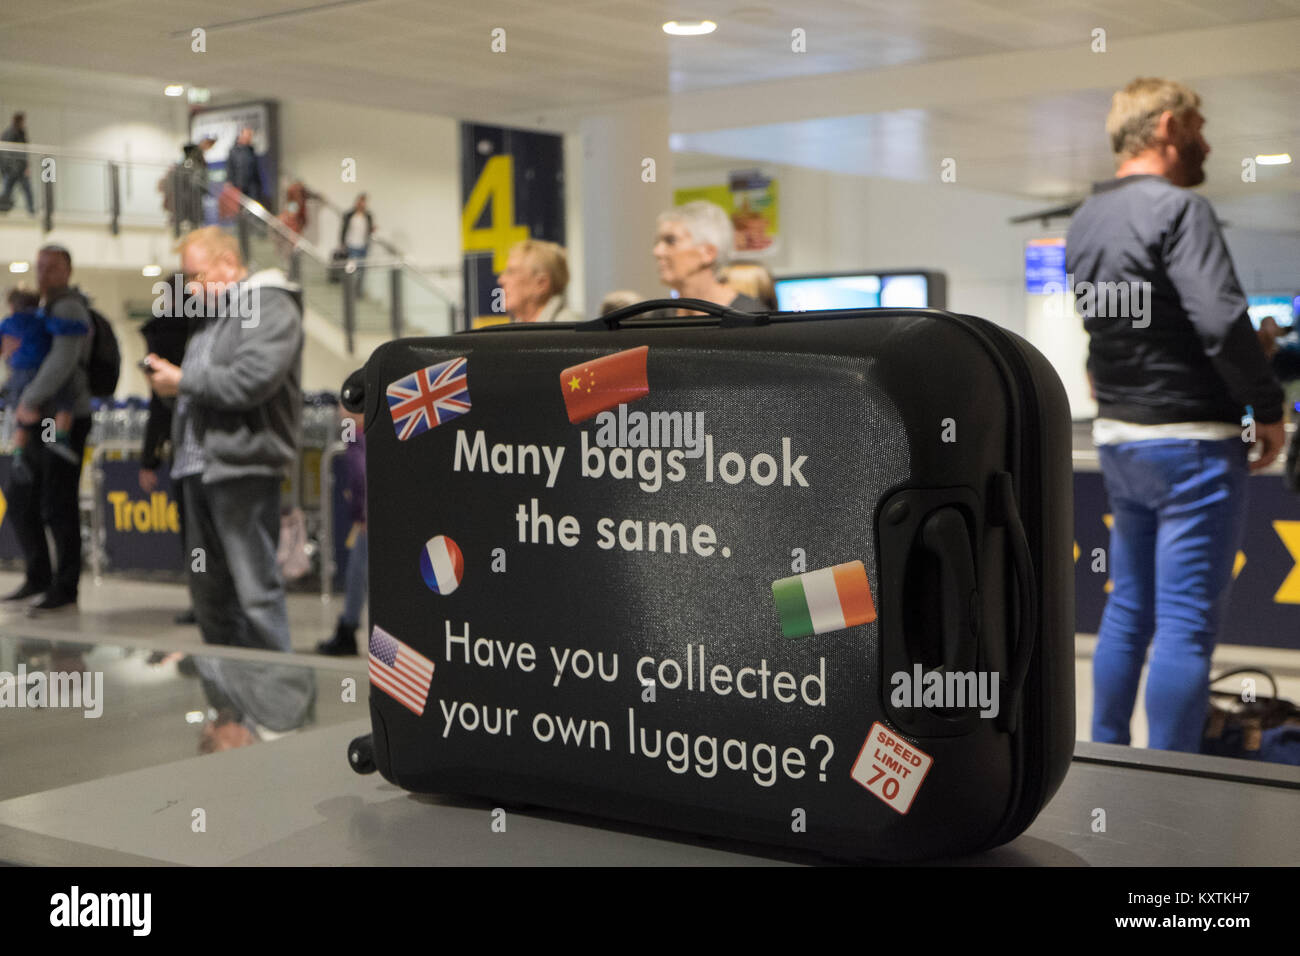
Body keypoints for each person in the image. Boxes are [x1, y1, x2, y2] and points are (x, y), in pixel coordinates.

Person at [1067, 77, 1286, 753]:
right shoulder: (1179, 212)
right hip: (1193, 442)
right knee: (1187, 623)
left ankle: (1107, 754)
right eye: (1199, 126)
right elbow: (1221, 324)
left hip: (1122, 441)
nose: (1208, 141)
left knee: (1128, 609)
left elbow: (1108, 332)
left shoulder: (1086, 219)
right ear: (1168, 126)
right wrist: (1267, 405)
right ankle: (1174, 779)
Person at [143, 226, 304, 658]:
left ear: (229, 264)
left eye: (197, 276)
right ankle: (232, 711)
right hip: (197, 468)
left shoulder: (269, 304)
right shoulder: (214, 318)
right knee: (209, 595)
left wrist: (182, 380)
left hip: (242, 467)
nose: (191, 288)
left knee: (254, 593)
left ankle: (276, 713)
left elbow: (252, 380)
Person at [2, 246, 96, 613]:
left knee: (58, 501)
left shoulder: (68, 307)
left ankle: (65, 585)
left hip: (63, 417)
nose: (44, 274)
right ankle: (39, 575)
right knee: (24, 497)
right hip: (40, 415)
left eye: (53, 268)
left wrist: (28, 400)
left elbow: (63, 362)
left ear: (68, 271)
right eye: (40, 267)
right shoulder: (41, 312)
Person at [138, 311, 196, 625]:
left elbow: (159, 407)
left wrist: (150, 460)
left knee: (196, 535)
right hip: (197, 455)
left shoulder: (167, 339)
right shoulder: (196, 334)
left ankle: (206, 601)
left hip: (190, 456)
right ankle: (210, 601)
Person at [1, 287, 83, 469]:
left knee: (22, 415)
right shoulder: (41, 320)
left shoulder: (7, 323)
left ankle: (18, 454)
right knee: (64, 402)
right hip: (41, 372)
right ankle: (58, 438)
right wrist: (81, 326)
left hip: (18, 374)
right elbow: (61, 327)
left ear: (12, 306)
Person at [653, 200, 764, 314]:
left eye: (670, 241)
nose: (657, 251)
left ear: (708, 253)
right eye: (657, 242)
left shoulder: (748, 316)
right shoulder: (659, 317)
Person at [317, 408, 366, 656]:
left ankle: (348, 629)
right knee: (357, 573)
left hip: (369, 520)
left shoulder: (357, 436)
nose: (339, 412)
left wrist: (362, 513)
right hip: (371, 517)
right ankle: (347, 626)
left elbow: (360, 476)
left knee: (358, 574)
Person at [497, 239, 580, 322]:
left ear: (541, 284)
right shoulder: (516, 328)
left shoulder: (568, 328)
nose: (501, 280)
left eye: (511, 272)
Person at [0, 112, 34, 216]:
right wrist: (8, 168)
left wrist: (26, 166)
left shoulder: (22, 133)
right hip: (11, 169)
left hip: (20, 168)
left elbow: (24, 152)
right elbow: (5, 153)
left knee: (27, 190)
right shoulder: (8, 134)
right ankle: (3, 211)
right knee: (7, 191)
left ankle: (31, 211)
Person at [340, 193, 374, 297]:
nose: (361, 204)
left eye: (363, 202)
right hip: (352, 246)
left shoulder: (367, 216)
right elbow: (344, 230)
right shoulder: (350, 215)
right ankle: (349, 290)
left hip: (363, 246)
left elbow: (369, 230)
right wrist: (342, 243)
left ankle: (358, 291)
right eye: (360, 201)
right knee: (351, 270)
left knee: (361, 271)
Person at [225, 127, 263, 206]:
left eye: (250, 136)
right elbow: (230, 168)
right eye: (247, 135)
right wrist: (230, 183)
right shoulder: (233, 151)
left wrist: (258, 185)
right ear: (241, 136)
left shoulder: (251, 150)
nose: (249, 138)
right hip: (239, 186)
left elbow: (255, 170)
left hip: (252, 187)